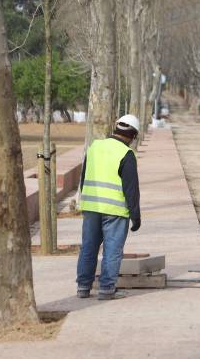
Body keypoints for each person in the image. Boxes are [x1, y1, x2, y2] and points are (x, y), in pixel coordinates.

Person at [76, 114, 142, 300]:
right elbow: (131, 189)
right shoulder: (126, 154)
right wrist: (135, 215)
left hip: (91, 207)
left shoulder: (94, 147)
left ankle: (83, 287)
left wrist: (87, 201)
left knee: (88, 247)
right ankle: (106, 289)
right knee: (112, 250)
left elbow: (84, 177)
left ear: (115, 128)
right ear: (133, 136)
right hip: (115, 211)